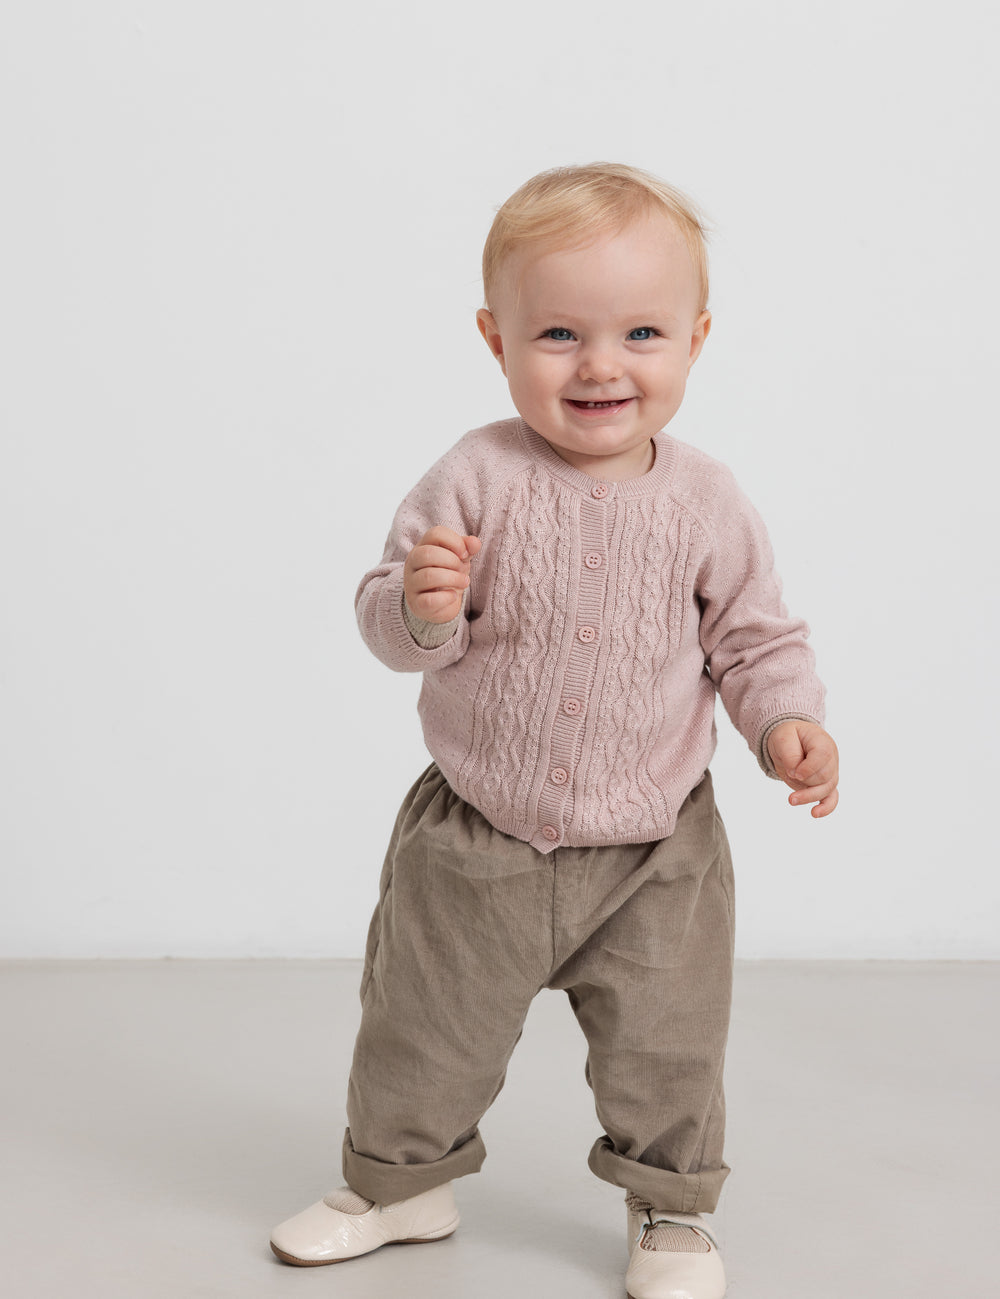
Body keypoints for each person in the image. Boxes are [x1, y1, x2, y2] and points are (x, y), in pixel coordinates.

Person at [269, 162, 839, 1299]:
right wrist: (423, 607)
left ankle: (670, 1213)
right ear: (495, 336)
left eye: (640, 331)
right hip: (476, 836)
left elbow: (755, 637)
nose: (600, 365)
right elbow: (387, 623)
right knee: (419, 1029)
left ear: (696, 337)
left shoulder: (707, 500)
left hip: (654, 851)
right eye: (559, 334)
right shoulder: (474, 476)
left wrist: (785, 722)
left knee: (668, 1047)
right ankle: (399, 1186)